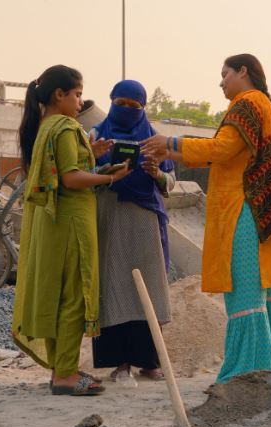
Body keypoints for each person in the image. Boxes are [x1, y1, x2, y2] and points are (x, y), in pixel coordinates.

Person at [142, 54, 271, 384]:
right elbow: (224, 154)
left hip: (244, 212)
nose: (221, 82)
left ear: (244, 71)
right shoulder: (265, 106)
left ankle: (245, 378)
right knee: (265, 298)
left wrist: (171, 142)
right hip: (264, 216)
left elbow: (222, 149)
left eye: (224, 74)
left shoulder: (246, 104)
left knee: (245, 299)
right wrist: (169, 151)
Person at [12, 65, 130, 396]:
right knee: (74, 295)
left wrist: (90, 156)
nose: (80, 102)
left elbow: (65, 168)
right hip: (72, 222)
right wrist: (109, 177)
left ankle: (61, 369)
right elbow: (70, 179)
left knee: (57, 293)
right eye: (77, 95)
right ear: (58, 95)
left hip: (52, 224)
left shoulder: (46, 127)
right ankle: (64, 376)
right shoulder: (65, 127)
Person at [89, 80, 175, 381]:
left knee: (148, 289)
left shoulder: (154, 138)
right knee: (112, 285)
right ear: (111, 101)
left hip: (144, 218)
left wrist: (156, 173)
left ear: (143, 108)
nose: (126, 110)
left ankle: (150, 361)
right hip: (108, 218)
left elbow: (170, 183)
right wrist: (104, 169)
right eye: (120, 103)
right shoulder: (96, 135)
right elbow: (83, 172)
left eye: (133, 105)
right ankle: (120, 363)